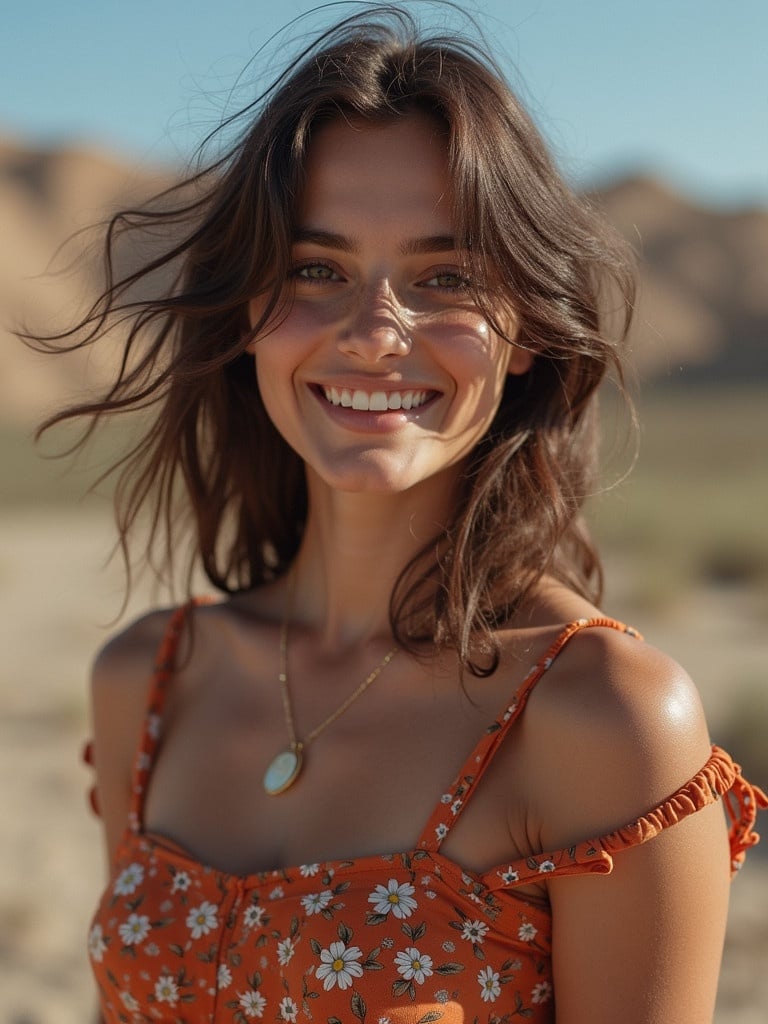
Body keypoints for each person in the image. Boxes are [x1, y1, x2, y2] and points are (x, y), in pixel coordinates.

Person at [35, 6, 765, 1022]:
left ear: (525, 336)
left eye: (446, 277)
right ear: (249, 312)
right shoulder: (150, 683)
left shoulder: (602, 717)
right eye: (317, 269)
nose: (376, 333)